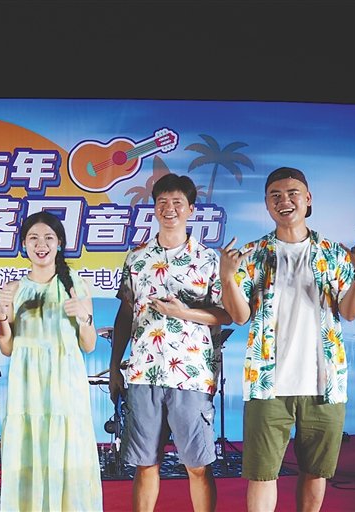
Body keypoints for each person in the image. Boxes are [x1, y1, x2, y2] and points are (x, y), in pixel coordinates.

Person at [219, 167, 355, 512]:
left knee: (316, 471)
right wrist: (227, 278)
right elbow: (240, 316)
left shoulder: (333, 253)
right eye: (276, 196)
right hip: (267, 384)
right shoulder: (253, 254)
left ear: (308, 199)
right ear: (267, 204)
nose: (285, 201)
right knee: (262, 474)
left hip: (325, 384)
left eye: (292, 193)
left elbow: (349, 312)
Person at [109, 173, 231, 512]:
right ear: (154, 208)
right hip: (142, 373)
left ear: (191, 209)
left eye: (178, 202)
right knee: (145, 463)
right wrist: (114, 366)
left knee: (197, 465)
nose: (169, 208)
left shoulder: (208, 259)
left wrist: (185, 313)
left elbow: (226, 314)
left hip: (190, 375)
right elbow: (125, 313)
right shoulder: (137, 258)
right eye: (162, 202)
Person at [0, 211, 103, 512]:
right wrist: (2, 317)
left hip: (65, 384)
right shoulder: (14, 289)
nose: (40, 245)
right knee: (28, 450)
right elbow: (6, 347)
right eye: (33, 238)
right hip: (27, 386)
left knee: (66, 452)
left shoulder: (76, 285)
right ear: (24, 244)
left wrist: (84, 317)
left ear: (59, 243)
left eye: (48, 238)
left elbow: (89, 345)